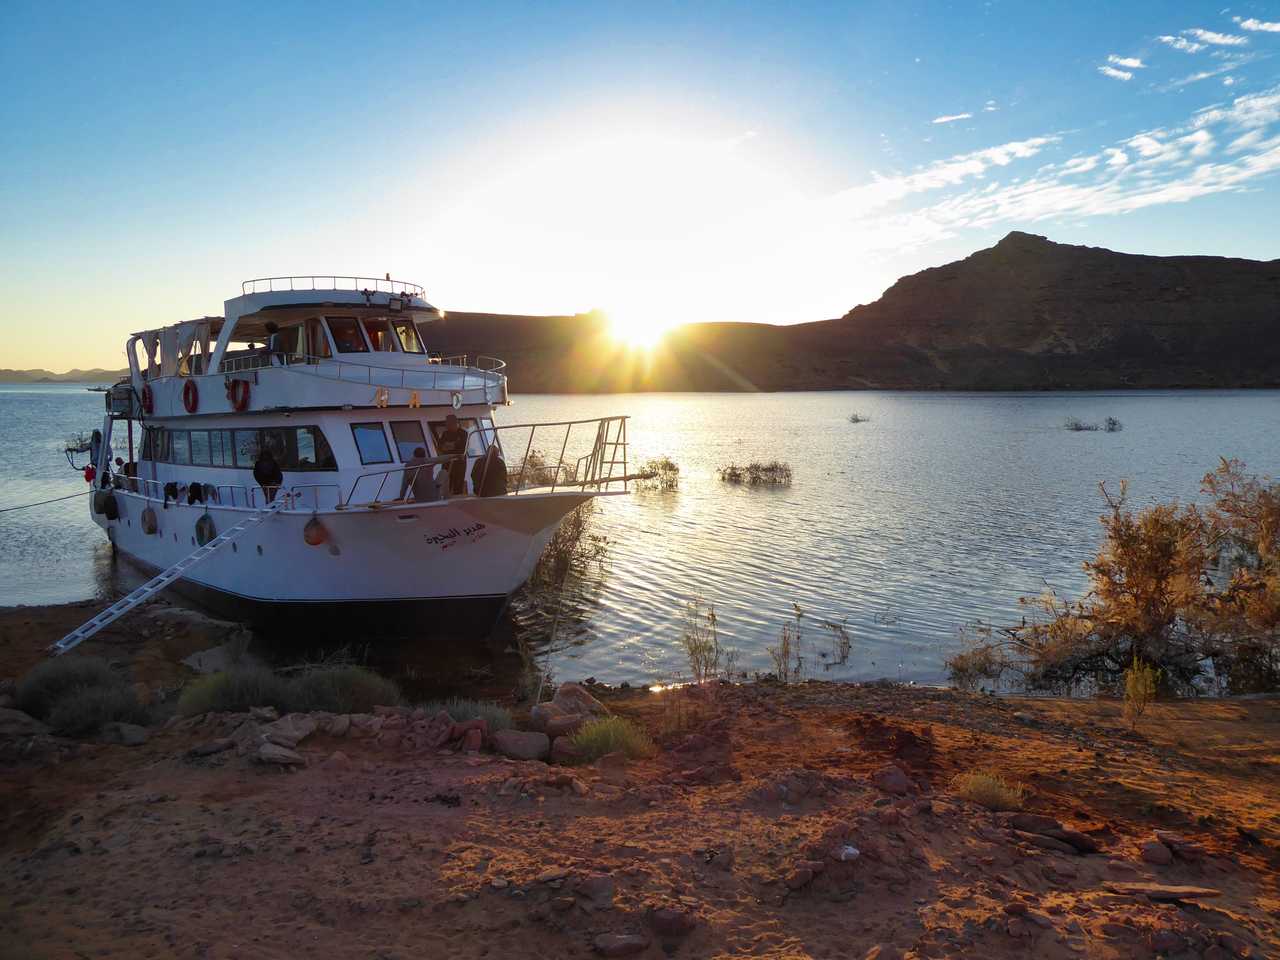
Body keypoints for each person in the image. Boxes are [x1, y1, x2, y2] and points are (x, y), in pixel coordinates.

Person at [437, 414, 469, 496]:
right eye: (446, 424)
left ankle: (457, 503)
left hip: (459, 463)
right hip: (447, 463)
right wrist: (452, 445)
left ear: (454, 423)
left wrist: (449, 445)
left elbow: (462, 448)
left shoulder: (463, 434)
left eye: (448, 424)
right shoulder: (445, 434)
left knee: (458, 484)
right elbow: (440, 447)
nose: (446, 426)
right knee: (446, 484)